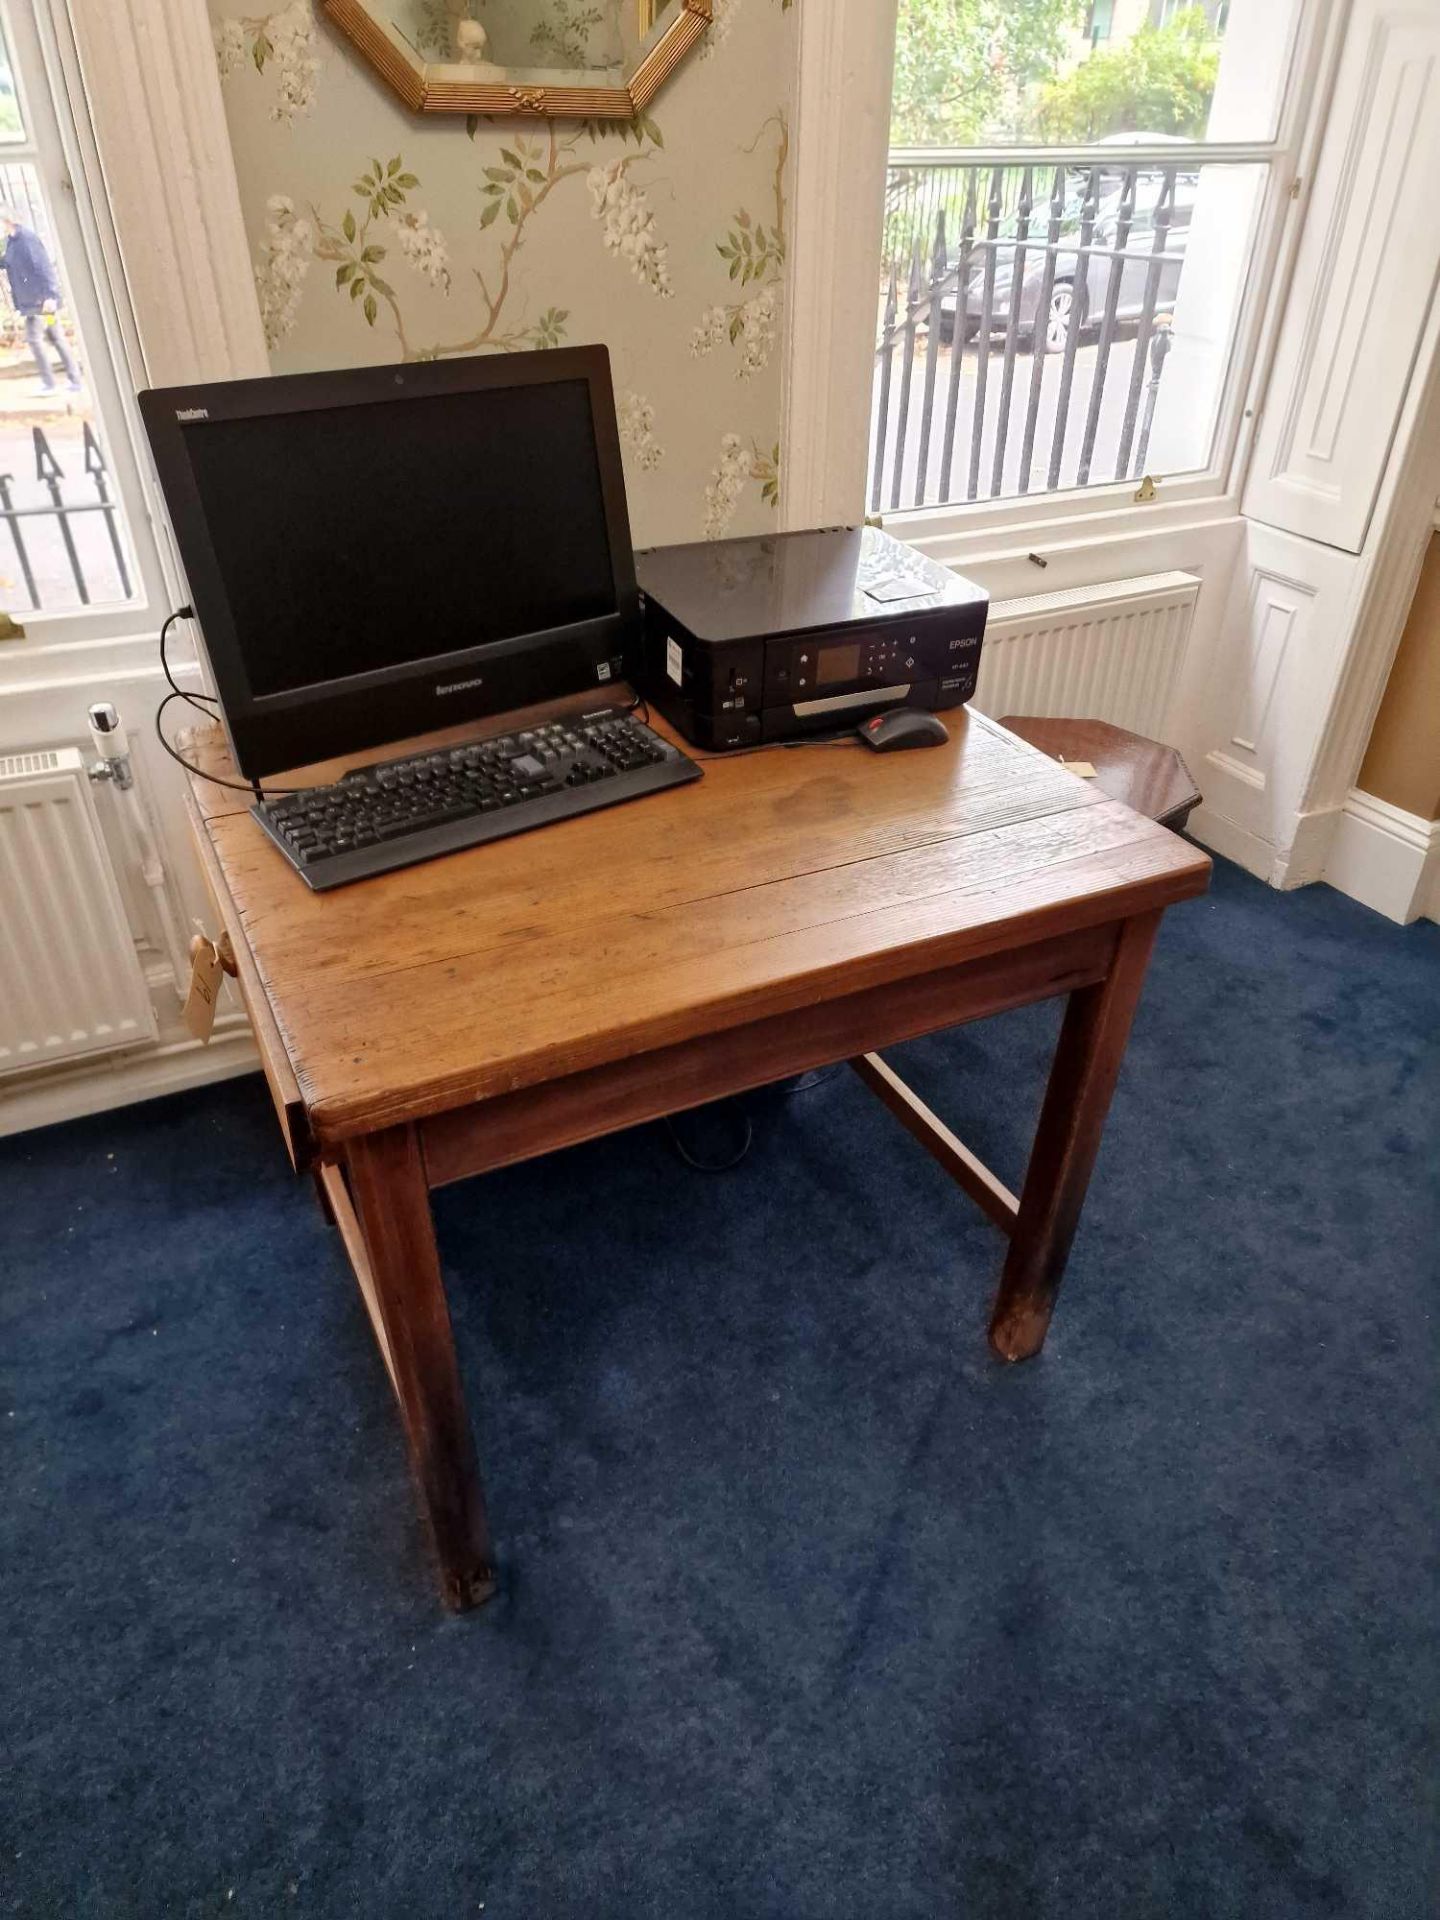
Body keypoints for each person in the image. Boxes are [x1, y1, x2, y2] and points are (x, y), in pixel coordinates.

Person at [0, 206, 82, 394]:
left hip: (40, 304)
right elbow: (9, 262)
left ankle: (50, 383)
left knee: (34, 338)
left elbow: (43, 267)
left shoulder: (26, 239)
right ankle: (74, 380)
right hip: (36, 304)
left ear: (7, 221)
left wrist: (50, 296)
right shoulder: (13, 241)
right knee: (56, 336)